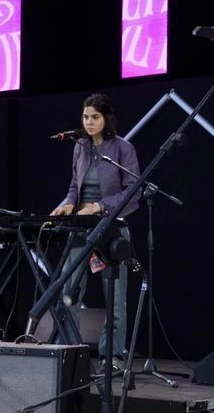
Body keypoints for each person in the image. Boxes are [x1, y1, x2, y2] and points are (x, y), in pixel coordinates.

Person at [51, 93, 141, 369]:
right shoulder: (80, 147)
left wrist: (100, 206)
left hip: (112, 230)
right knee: (69, 290)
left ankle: (112, 356)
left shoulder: (122, 149)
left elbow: (132, 192)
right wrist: (67, 205)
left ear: (106, 119)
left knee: (115, 296)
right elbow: (74, 187)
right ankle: (66, 351)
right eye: (85, 117)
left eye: (94, 117)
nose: (88, 122)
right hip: (81, 229)